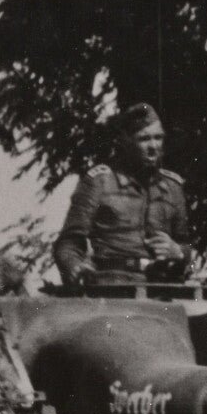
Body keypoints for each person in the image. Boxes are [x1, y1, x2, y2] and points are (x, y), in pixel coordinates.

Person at [52, 103, 192, 287]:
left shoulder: (173, 187)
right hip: (113, 286)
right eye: (144, 139)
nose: (153, 147)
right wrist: (75, 268)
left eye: (158, 138)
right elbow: (69, 242)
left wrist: (179, 252)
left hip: (164, 287)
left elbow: (186, 246)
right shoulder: (99, 182)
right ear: (125, 141)